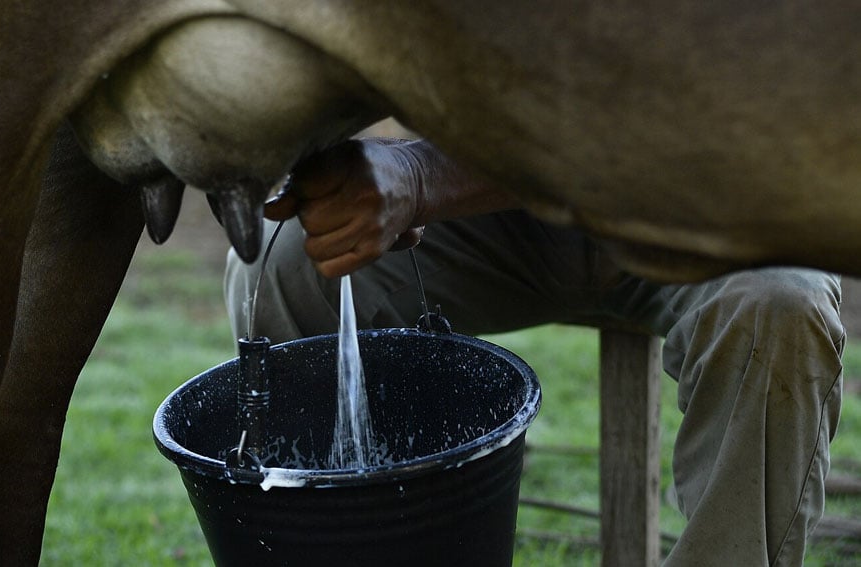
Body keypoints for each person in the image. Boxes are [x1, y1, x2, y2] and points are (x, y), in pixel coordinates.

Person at [223, 137, 845, 566]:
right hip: (495, 213)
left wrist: (418, 176)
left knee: (783, 304)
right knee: (281, 269)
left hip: (701, 204)